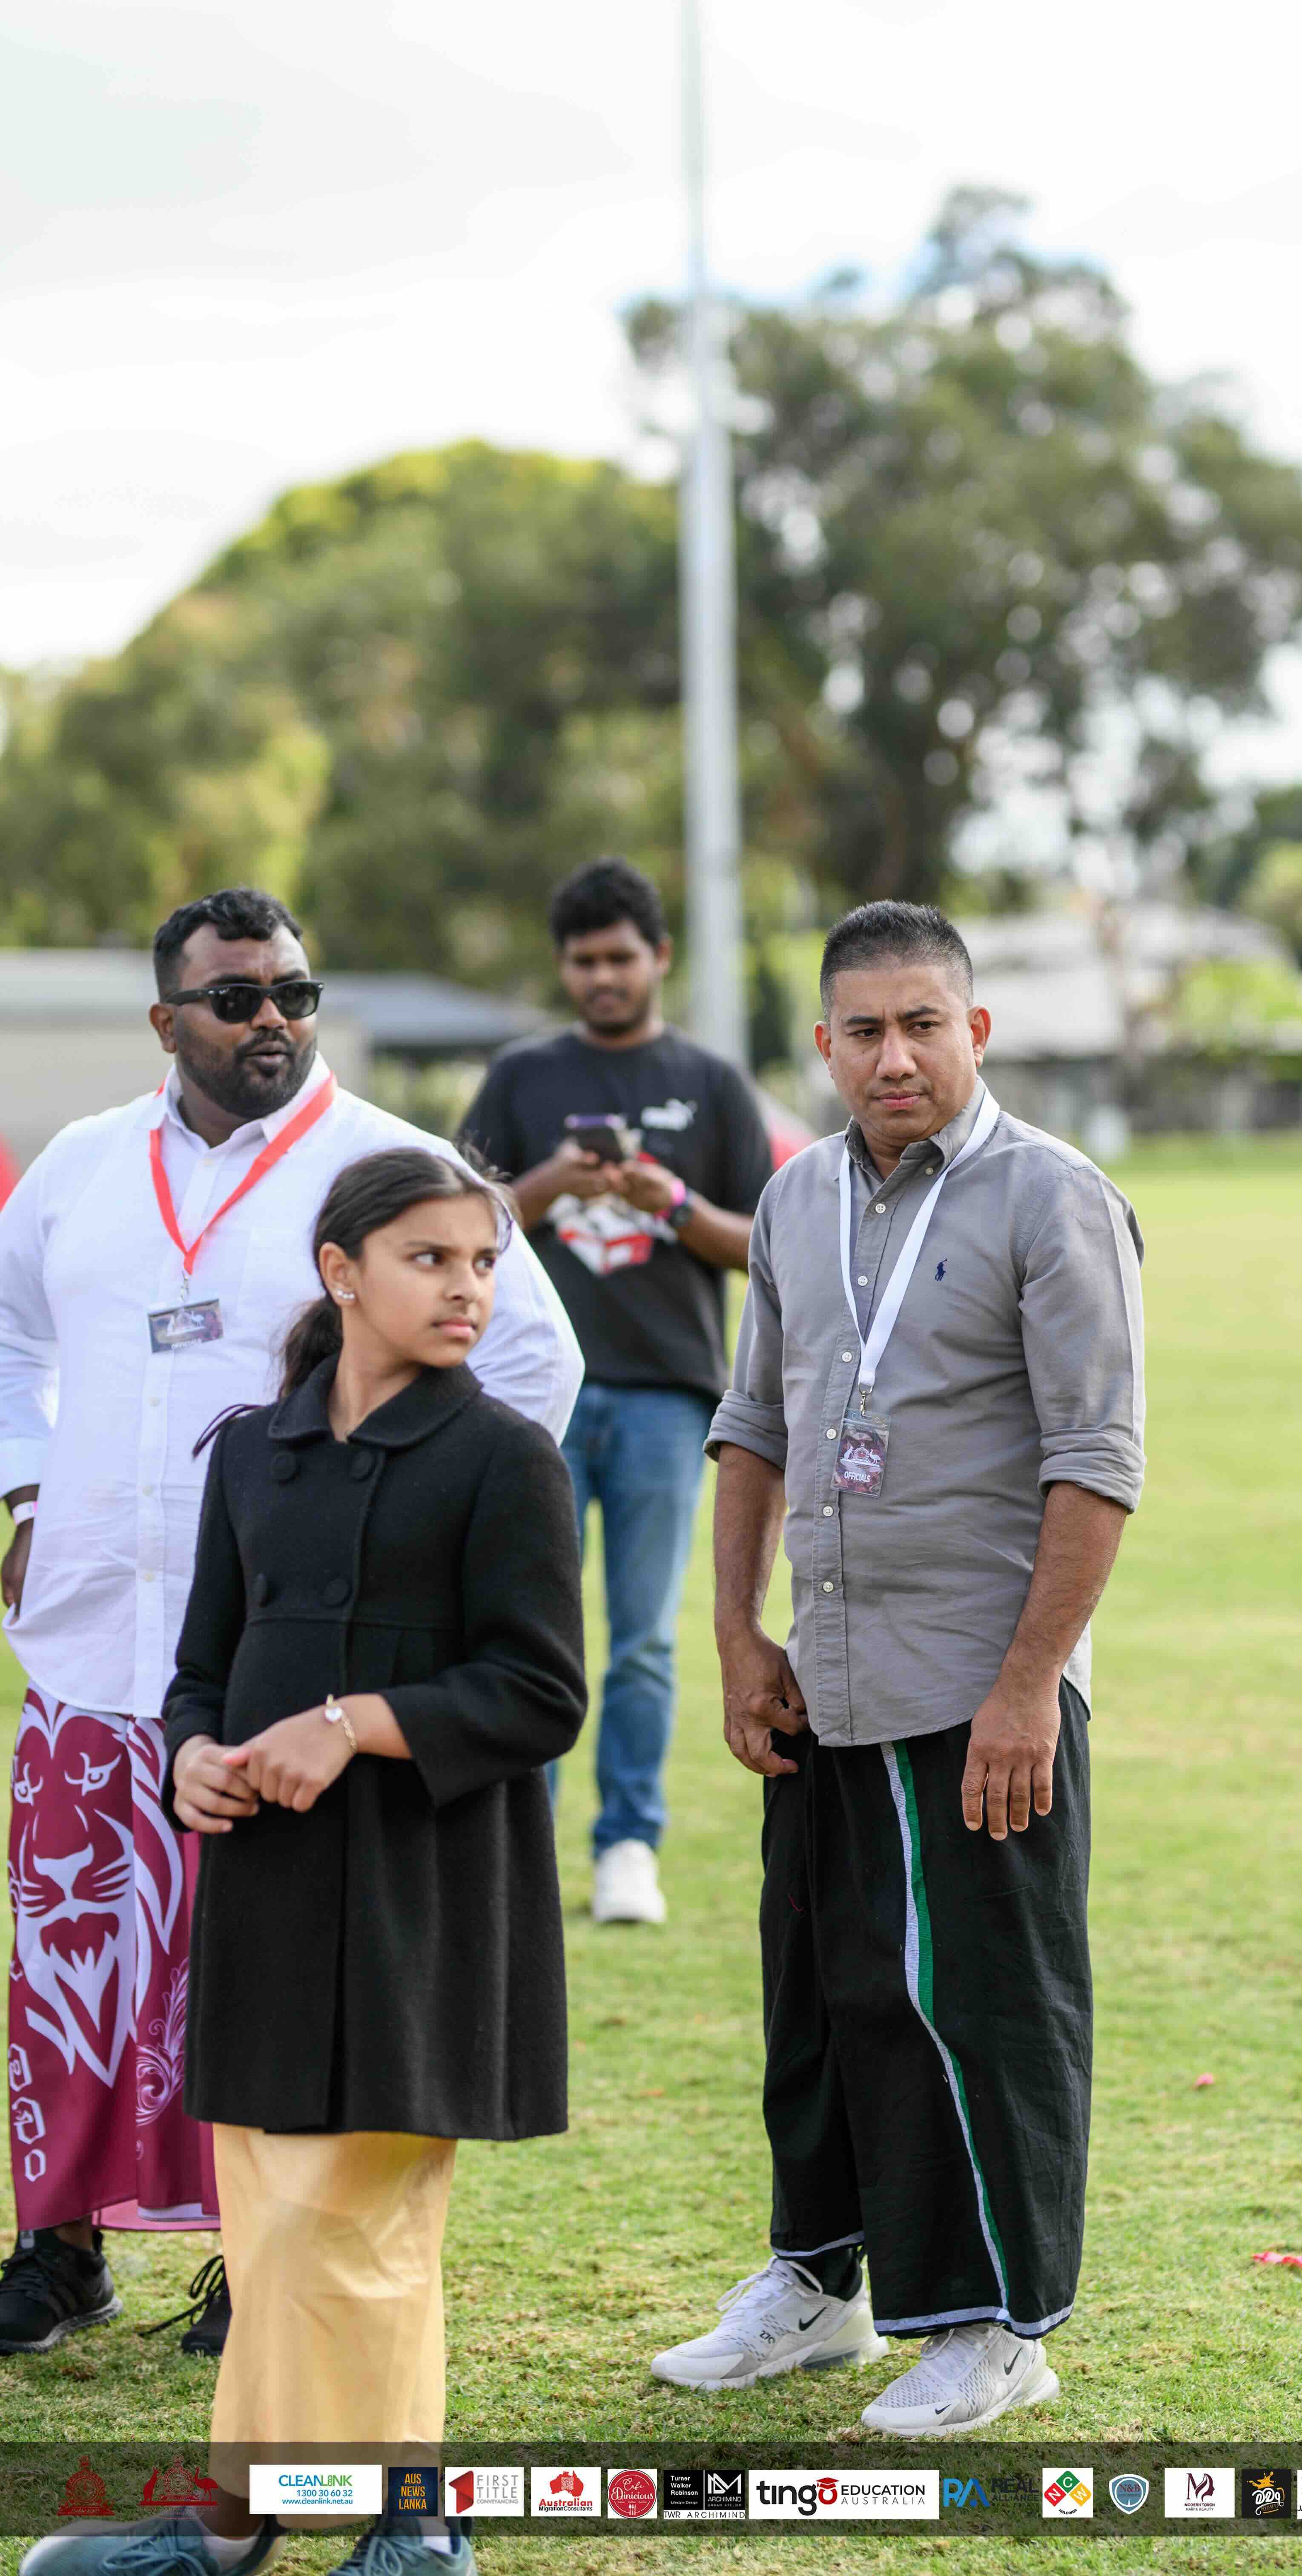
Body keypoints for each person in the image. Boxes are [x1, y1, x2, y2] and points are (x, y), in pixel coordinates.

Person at [0, 888, 581, 2362]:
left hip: (295, 1664)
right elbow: (7, 1332)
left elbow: (534, 1357)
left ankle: (256, 2262)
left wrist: (413, 1534)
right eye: (238, 997)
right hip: (93, 1628)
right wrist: (25, 1486)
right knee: (75, 1958)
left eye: (296, 993)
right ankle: (59, 2250)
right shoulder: (80, 1165)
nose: (274, 1018)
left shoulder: (393, 1169)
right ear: (166, 1020)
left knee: (253, 1965)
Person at [23, 1146, 585, 2576]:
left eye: (482, 1262)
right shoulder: (251, 1452)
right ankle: (236, 2524)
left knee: (354, 2215)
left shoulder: (506, 1457)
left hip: (425, 1891)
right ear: (342, 1271)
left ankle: (411, 2525)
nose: (468, 1288)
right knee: (277, 2216)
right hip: (268, 1886)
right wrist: (190, 1756)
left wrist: (351, 1724)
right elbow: (200, 1669)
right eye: (431, 1258)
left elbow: (540, 1692)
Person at [649, 900, 1146, 2435]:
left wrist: (1029, 1684)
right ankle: (820, 2281)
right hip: (828, 1673)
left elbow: (1096, 1458)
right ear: (823, 1043)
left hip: (978, 1681)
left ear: (975, 1030)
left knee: (984, 2011)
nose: (895, 1057)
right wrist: (739, 1634)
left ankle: (1000, 2326)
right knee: (823, 1993)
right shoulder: (795, 1196)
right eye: (863, 1030)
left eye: (924, 1023)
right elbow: (753, 1424)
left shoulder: (1052, 1196)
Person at [459, 857, 774, 1927]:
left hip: (665, 1397)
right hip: (527, 1402)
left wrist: (667, 1200)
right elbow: (448, 1224)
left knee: (643, 1638)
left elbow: (766, 1244)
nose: (602, 977)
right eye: (583, 961)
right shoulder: (521, 1079)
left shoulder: (712, 1083)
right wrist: (549, 1184)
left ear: (659, 958)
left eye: (620, 958)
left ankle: (629, 1843)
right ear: (563, 966)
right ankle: (521, 1843)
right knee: (527, 1630)